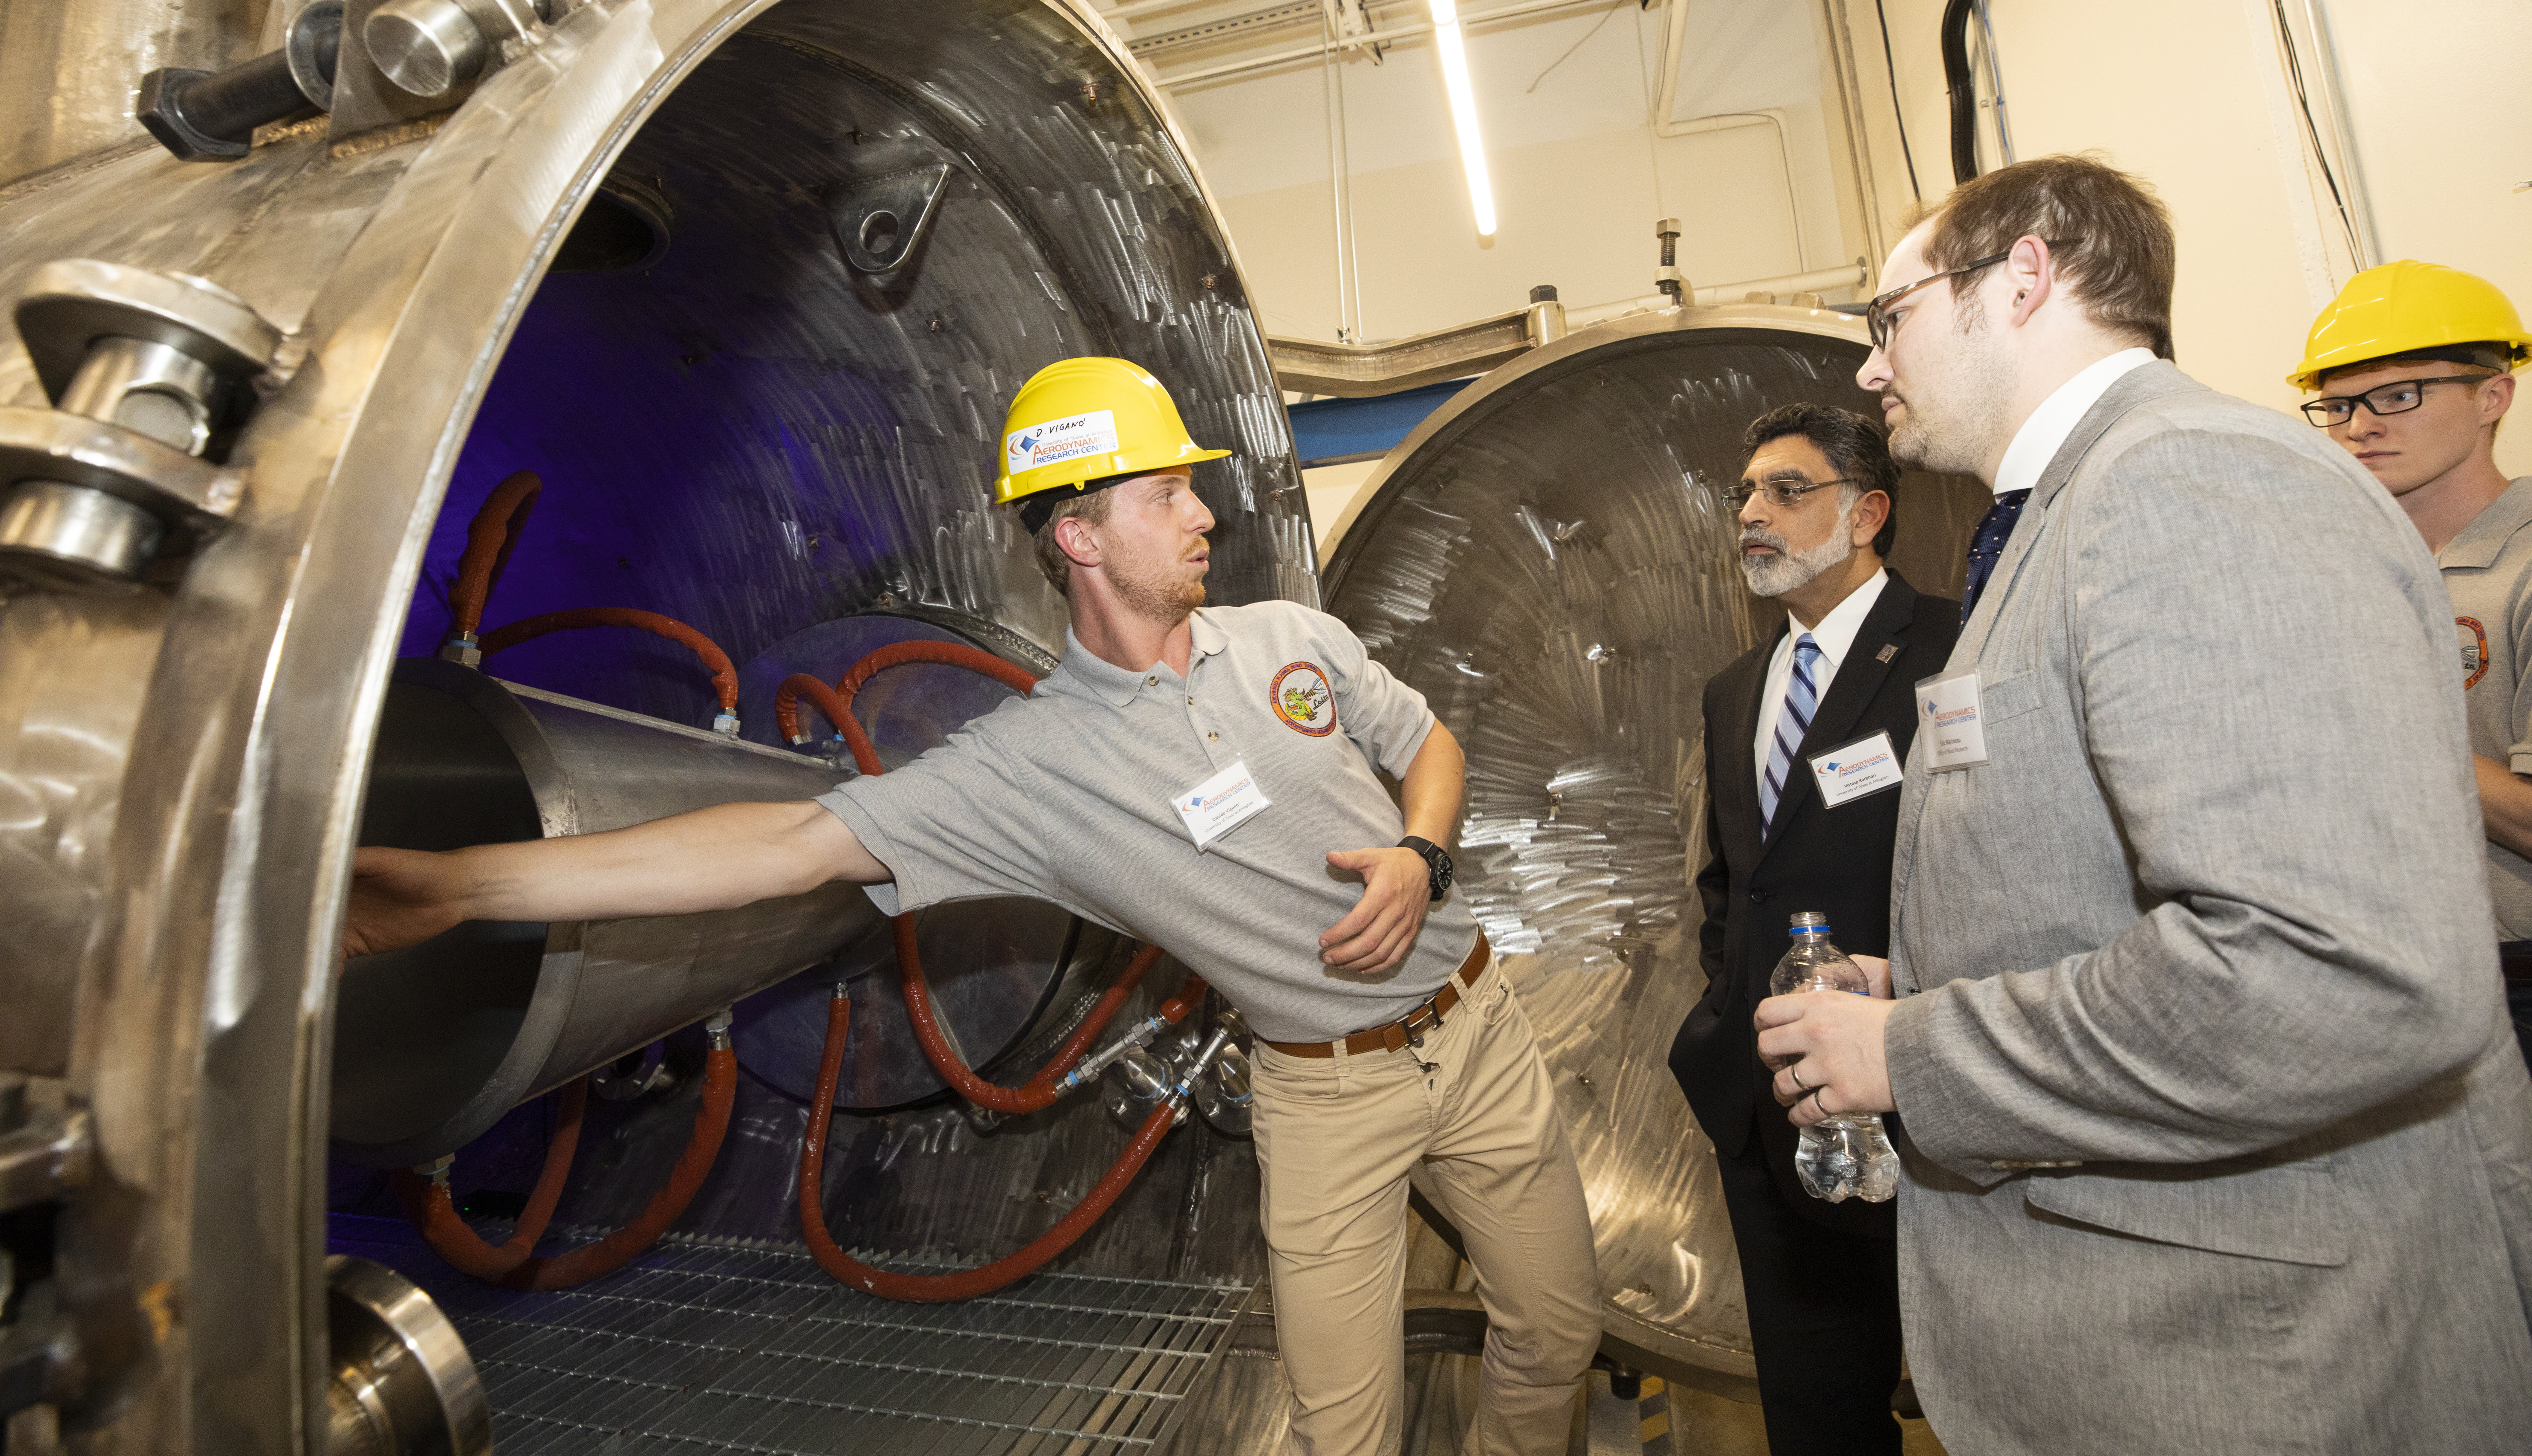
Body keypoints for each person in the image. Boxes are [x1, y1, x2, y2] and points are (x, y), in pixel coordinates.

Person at [344, 356, 1602, 1456]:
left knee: (1556, 1333)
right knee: (1344, 1429)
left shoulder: (1288, 642)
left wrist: (1420, 856)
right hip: (1327, 1095)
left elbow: (1428, 740)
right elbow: (785, 844)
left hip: (1481, 1032)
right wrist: (465, 886)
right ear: (1079, 535)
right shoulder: (1031, 766)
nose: (1203, 513)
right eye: (1165, 493)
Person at [1746, 155, 2532, 1452]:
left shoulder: (2190, 488)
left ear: (2026, 277)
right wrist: (1933, 983)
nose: (1871, 370)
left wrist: (1917, 1056)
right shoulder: (2074, 510)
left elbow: (2338, 971)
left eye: (1890, 321)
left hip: (2263, 1364)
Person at [1667, 403, 1956, 1455]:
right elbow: (1731, 881)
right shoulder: (1738, 687)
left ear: (1868, 511)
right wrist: (1728, 1008)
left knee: (1992, 1389)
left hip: (1922, 1100)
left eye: (1787, 492)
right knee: (1818, 1409)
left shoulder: (1953, 649)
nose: (1753, 513)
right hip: (1772, 1110)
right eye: (1745, 493)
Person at [2293, 260, 2532, 1063]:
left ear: (2492, 396)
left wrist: (2370, 720)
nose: (2360, 425)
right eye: (2338, 403)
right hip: (2385, 980)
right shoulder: (2339, 568)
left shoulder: (2525, 568)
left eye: (2397, 395)